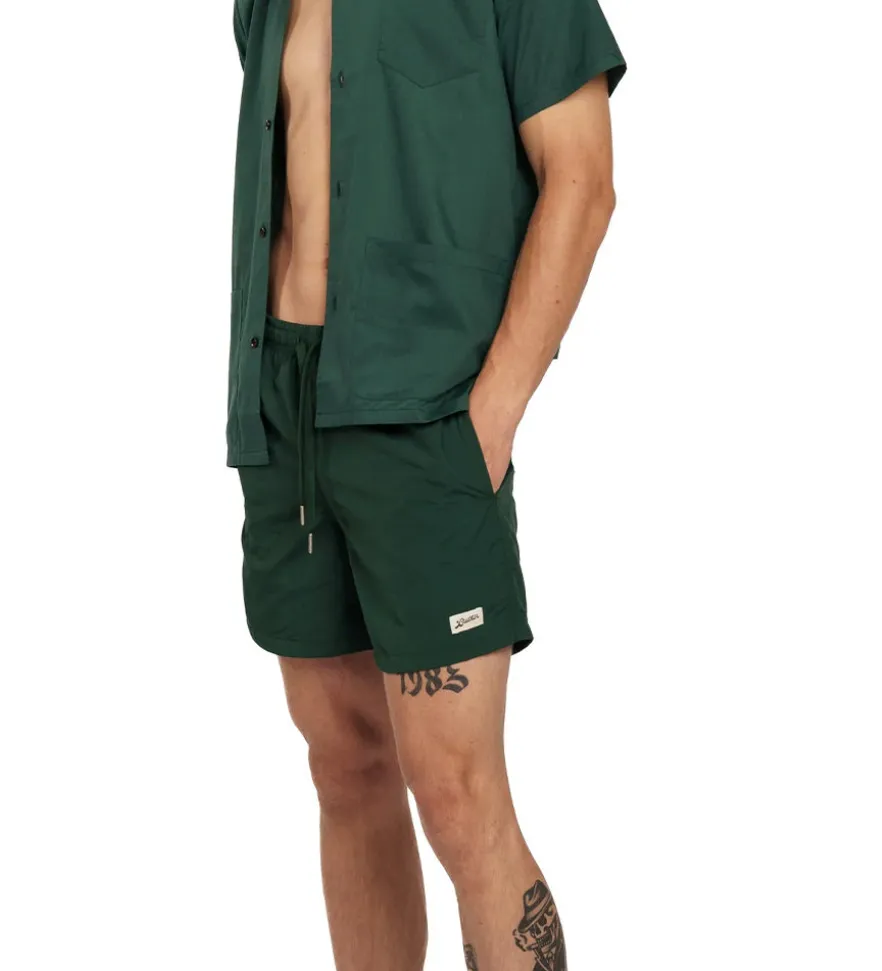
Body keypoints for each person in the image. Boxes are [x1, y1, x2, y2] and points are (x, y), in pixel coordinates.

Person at [227, 1, 625, 967]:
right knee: (344, 765)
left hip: (427, 412)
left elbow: (583, 178)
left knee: (457, 791)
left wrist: (490, 417)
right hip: (287, 405)